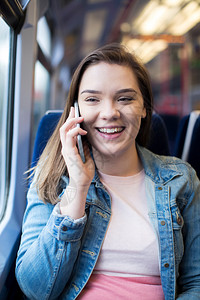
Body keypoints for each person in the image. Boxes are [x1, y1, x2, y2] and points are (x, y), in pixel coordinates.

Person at [15, 43, 200, 300]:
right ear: (76, 111)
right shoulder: (53, 179)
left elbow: (196, 283)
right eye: (92, 99)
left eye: (125, 98)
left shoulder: (182, 179)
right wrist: (77, 188)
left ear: (144, 107)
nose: (110, 113)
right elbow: (36, 290)